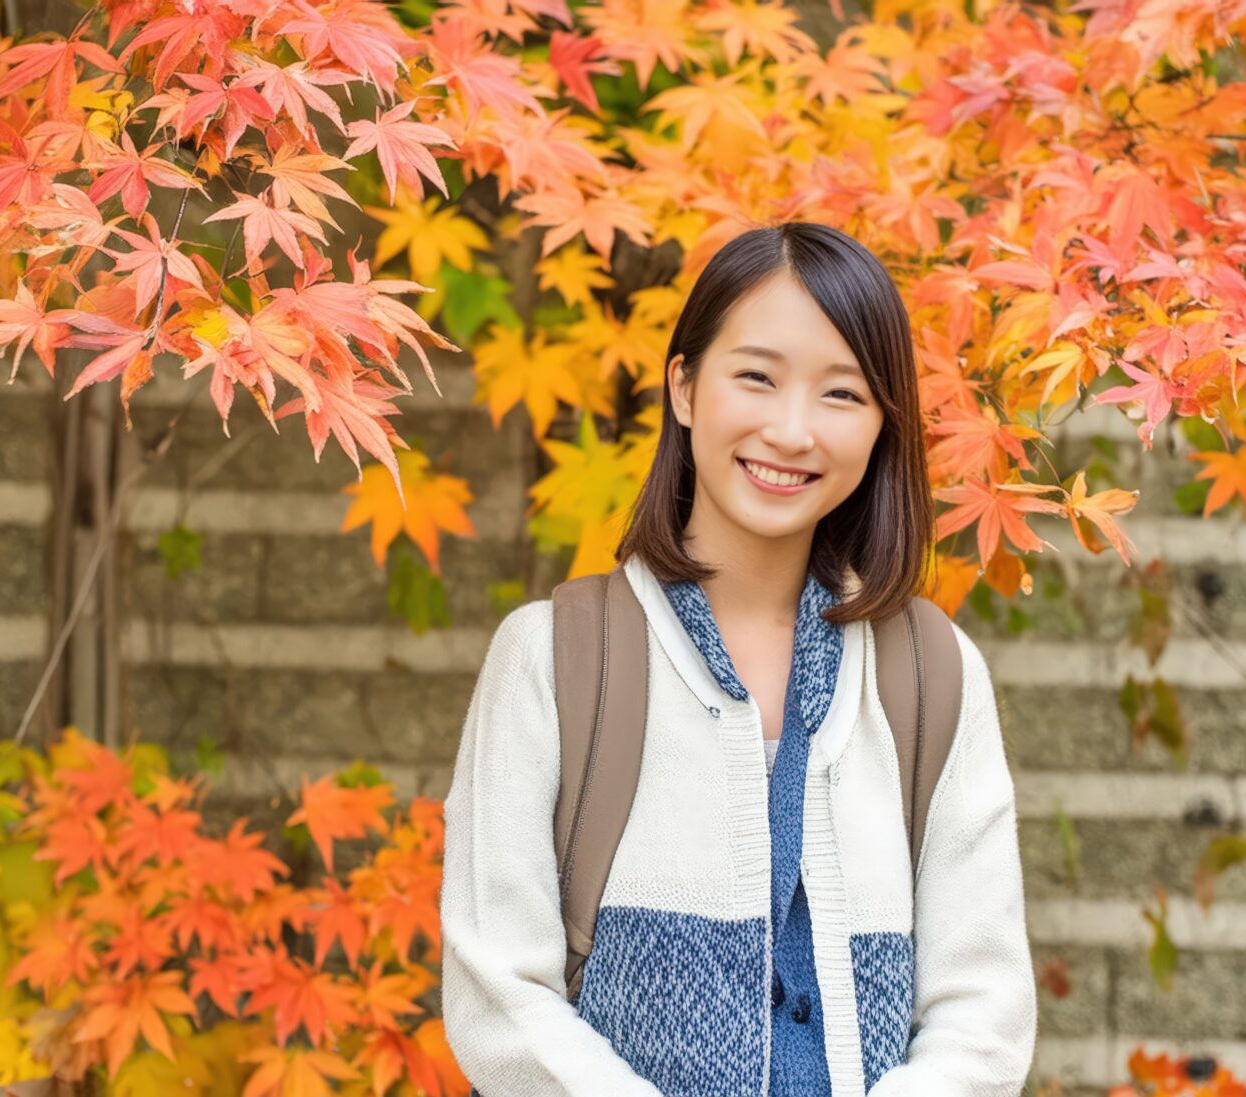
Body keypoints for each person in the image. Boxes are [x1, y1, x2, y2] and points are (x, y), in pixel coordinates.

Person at [440, 221, 1036, 1096]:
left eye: (842, 394)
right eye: (755, 376)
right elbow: (500, 1000)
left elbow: (982, 1010)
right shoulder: (555, 658)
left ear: (881, 427)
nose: (791, 431)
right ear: (684, 385)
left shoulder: (933, 674)